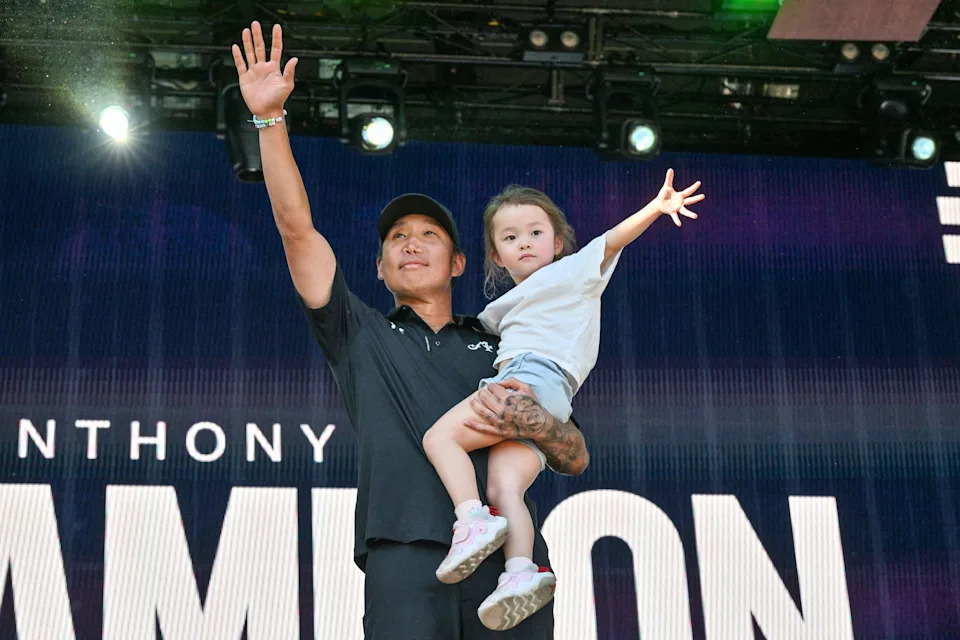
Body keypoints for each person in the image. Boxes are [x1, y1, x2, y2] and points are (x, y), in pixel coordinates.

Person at [231, 21, 590, 639]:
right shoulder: (357, 331)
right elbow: (297, 230)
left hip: (510, 566)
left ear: (458, 263)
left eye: (429, 235)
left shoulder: (507, 342)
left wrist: (537, 423)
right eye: (397, 238)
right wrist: (269, 121)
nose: (411, 244)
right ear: (380, 266)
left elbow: (574, 455)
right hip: (402, 552)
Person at [422, 175, 704, 630]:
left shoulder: (571, 272)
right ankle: (520, 573)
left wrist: (655, 209)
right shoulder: (503, 308)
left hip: (531, 379)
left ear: (558, 242)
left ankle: (470, 519)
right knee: (505, 489)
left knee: (439, 438)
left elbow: (611, 241)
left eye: (536, 233)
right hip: (553, 400)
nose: (525, 243)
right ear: (497, 255)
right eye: (511, 238)